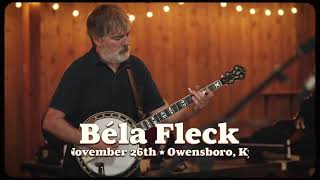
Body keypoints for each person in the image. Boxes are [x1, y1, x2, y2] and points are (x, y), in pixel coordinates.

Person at [42, 4, 214, 177]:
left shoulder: (136, 68)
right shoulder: (80, 71)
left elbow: (164, 117)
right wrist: (91, 141)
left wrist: (193, 108)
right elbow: (51, 122)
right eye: (118, 37)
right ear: (98, 39)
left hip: (129, 170)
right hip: (82, 172)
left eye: (127, 35)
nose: (126, 42)